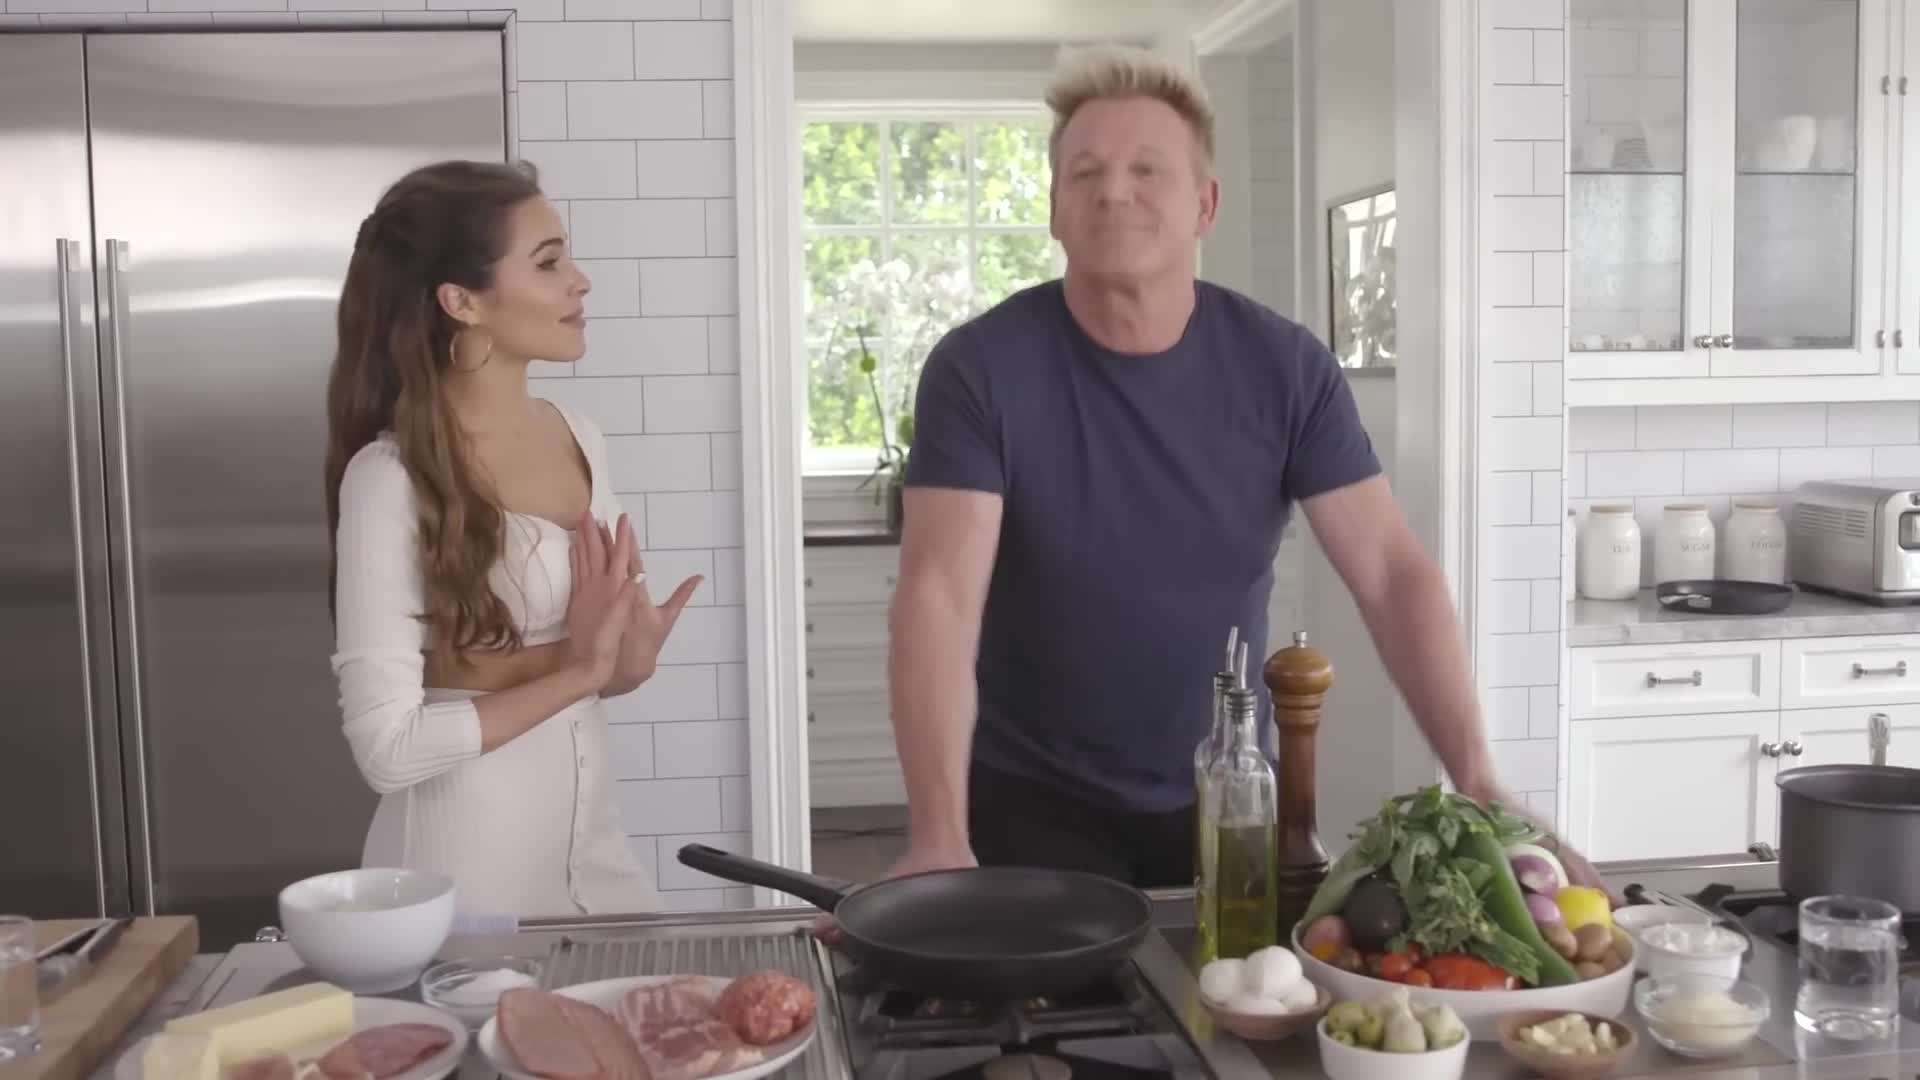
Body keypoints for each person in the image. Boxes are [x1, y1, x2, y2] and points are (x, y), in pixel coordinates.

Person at [881, 45, 1606, 892]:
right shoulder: (978, 370)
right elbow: (938, 597)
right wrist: (937, 832)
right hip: (1028, 805)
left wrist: (1480, 781)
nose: (1114, 190)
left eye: (1147, 169)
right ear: (1053, 209)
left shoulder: (1287, 369)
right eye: (1085, 173)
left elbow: (1391, 576)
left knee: (1243, 1014)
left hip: (1226, 799)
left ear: (1205, 205)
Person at [323, 160, 701, 917]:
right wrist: (580, 663)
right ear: (461, 301)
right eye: (549, 261)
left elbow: (606, 672)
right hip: (461, 873)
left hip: (590, 848)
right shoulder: (388, 477)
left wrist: (628, 657)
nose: (580, 280)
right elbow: (388, 749)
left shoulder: (579, 437)